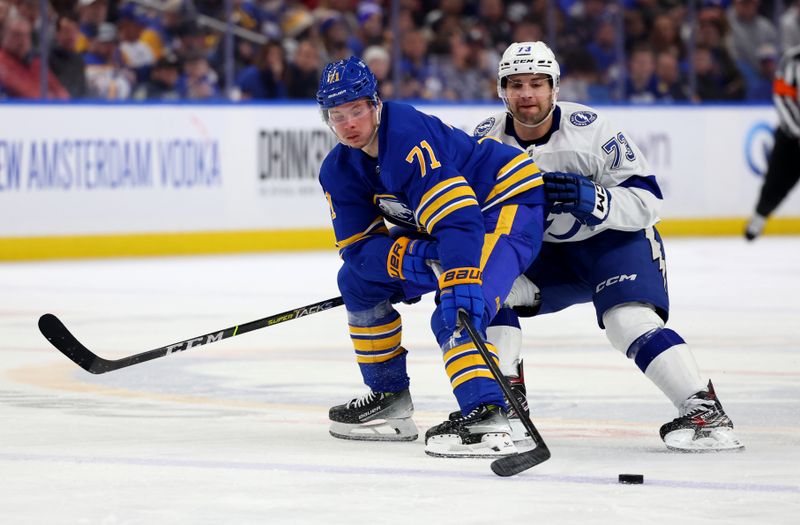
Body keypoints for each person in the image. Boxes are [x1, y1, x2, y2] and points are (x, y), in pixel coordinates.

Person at [458, 41, 743, 452]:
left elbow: (649, 202)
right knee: (483, 293)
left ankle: (703, 410)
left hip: (613, 243)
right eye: (516, 84)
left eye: (537, 84)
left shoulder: (592, 130)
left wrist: (595, 199)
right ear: (500, 89)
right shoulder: (484, 141)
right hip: (545, 257)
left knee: (627, 321)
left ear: (555, 88)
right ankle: (504, 405)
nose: (527, 95)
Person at [316, 56, 547, 458]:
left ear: (375, 104)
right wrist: (419, 258)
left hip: (503, 203)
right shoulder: (338, 169)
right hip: (441, 228)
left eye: (356, 110)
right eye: (338, 115)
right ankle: (389, 396)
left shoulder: (405, 133)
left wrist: (457, 276)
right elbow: (358, 251)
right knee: (357, 284)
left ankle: (486, 413)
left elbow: (460, 221)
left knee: (456, 306)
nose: (349, 123)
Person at [745, 45, 800, 240]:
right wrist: (797, 131)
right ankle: (759, 218)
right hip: (792, 136)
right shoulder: (793, 59)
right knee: (776, 183)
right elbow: (782, 97)